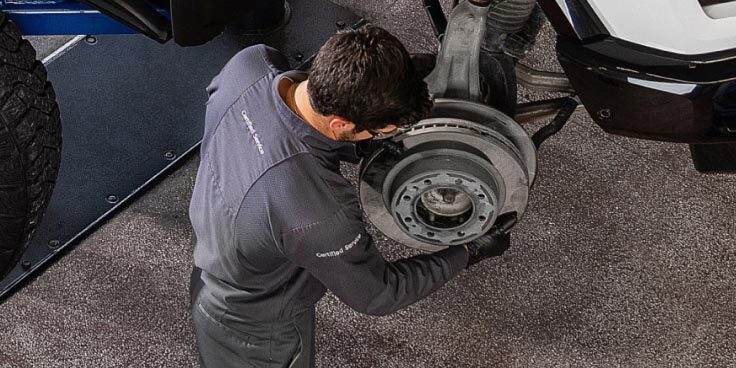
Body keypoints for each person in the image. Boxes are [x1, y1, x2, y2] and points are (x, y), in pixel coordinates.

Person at [188, 25, 511, 368]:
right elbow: (378, 293)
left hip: (215, 253)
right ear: (342, 124)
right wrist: (466, 251)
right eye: (378, 131)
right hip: (251, 326)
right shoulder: (319, 213)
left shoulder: (249, 65)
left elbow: (288, 129)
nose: (382, 136)